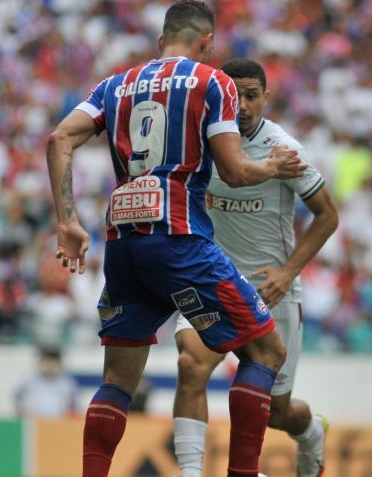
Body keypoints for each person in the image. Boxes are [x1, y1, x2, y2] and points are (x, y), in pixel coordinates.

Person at [45, 2, 307, 476]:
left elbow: (59, 139)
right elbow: (235, 170)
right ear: (207, 42)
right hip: (180, 238)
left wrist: (67, 221)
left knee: (118, 379)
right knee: (268, 351)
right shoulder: (213, 82)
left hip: (122, 241)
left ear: (161, 39)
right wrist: (271, 166)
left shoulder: (114, 85)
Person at [172, 58, 339, 477]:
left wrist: (288, 273)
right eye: (235, 95)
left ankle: (310, 432)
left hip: (270, 289)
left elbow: (327, 216)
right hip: (212, 279)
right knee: (191, 364)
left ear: (266, 97)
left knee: (276, 413)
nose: (243, 105)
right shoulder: (198, 142)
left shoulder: (283, 149)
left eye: (251, 95)